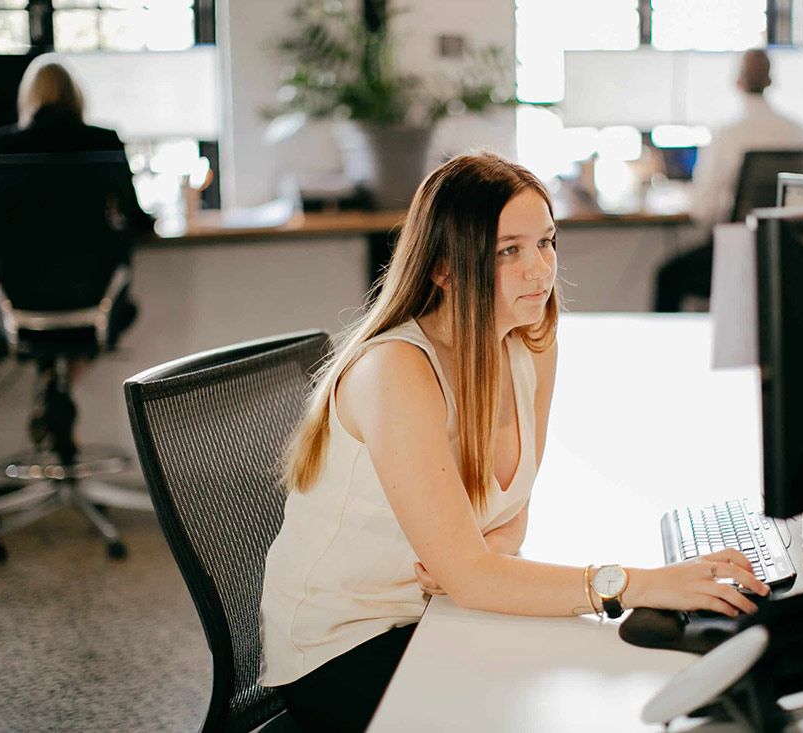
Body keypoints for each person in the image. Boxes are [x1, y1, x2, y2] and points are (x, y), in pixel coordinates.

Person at [259, 153, 770, 732]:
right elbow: (475, 576)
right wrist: (643, 583)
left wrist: (471, 566)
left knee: (612, 682)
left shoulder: (529, 343)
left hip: (438, 614)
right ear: (443, 269)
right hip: (348, 645)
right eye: (509, 251)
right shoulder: (395, 371)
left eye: (547, 242)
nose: (540, 269)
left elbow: (509, 529)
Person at [0, 59, 154, 455]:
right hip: (94, 298)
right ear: (78, 98)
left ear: (29, 99)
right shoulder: (104, 141)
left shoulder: (5, 144)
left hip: (19, 300)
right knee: (85, 327)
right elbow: (138, 220)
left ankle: (52, 388)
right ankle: (62, 389)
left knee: (44, 333)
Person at [654, 48, 803, 311]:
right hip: (787, 257)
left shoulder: (726, 135)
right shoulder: (800, 132)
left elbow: (704, 212)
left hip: (735, 255)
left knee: (667, 277)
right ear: (771, 81)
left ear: (737, 82)